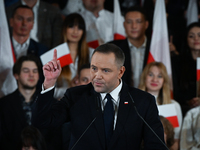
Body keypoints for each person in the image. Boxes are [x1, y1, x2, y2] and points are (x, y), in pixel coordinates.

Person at [32, 43, 167, 149]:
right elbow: (42, 121)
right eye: (94, 68)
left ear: (121, 72)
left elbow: (156, 145)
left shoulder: (143, 101)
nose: (97, 76)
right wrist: (49, 82)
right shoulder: (76, 96)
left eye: (105, 70)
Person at [0, 55, 62, 150]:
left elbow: (57, 138)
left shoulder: (52, 104)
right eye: (26, 71)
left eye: (35, 71)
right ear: (16, 75)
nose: (31, 75)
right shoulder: (3, 105)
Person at [138, 62, 182, 150]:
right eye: (150, 75)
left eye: (159, 76)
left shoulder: (174, 105)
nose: (155, 79)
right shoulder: (133, 104)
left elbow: (175, 140)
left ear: (164, 80)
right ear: (144, 78)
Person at [110, 6, 150, 87]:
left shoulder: (156, 49)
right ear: (124, 25)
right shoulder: (113, 48)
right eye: (129, 22)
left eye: (138, 22)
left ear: (146, 24)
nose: (134, 26)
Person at [54, 13, 91, 99]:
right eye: (71, 27)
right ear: (64, 29)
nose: (75, 31)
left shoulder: (93, 54)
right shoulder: (54, 56)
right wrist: (70, 90)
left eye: (79, 28)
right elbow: (48, 91)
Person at [174, 22, 200, 116]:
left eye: (199, 35)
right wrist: (189, 101)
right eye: (191, 36)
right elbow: (176, 89)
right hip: (184, 110)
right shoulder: (177, 62)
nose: (196, 39)